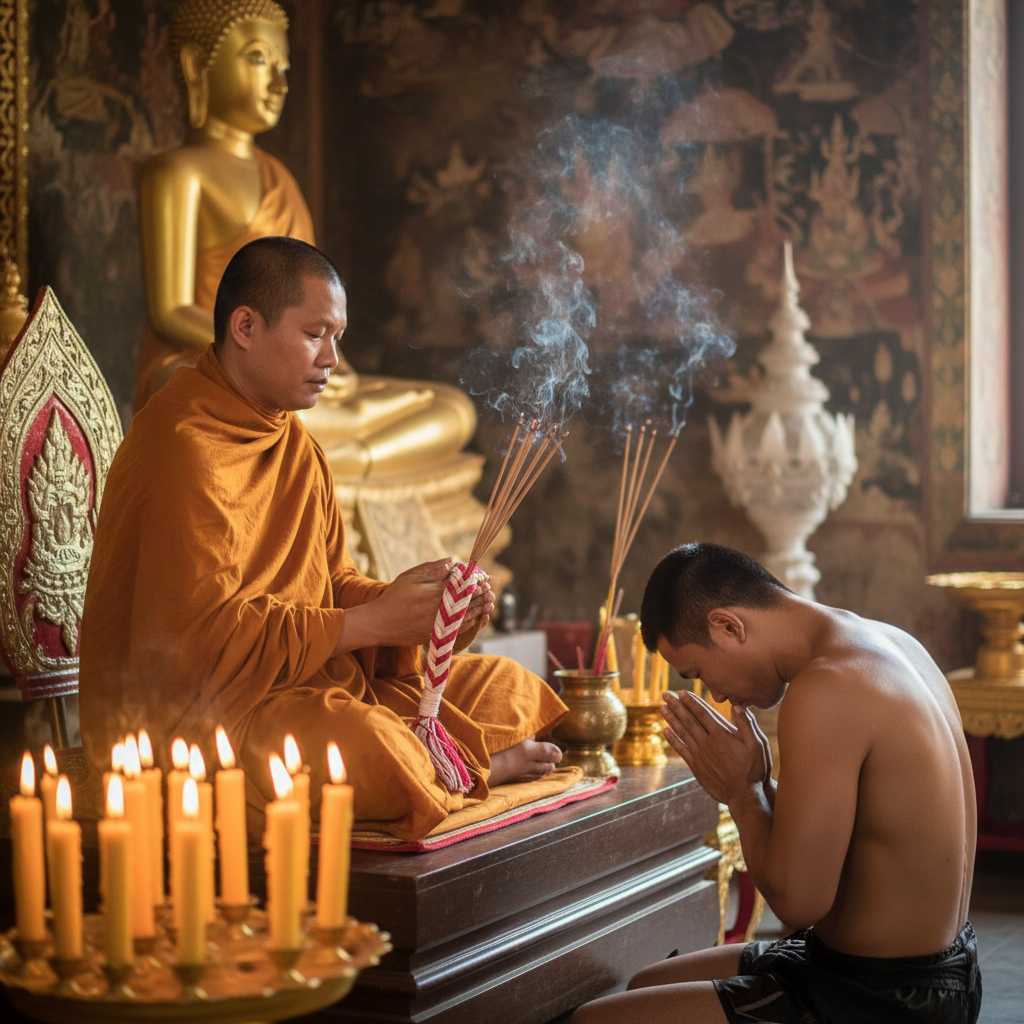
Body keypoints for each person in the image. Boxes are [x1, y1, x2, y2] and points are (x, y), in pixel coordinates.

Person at [80, 236, 566, 841]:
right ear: (246, 327)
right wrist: (376, 624)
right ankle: (472, 768)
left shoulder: (296, 443)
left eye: (338, 337)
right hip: (209, 717)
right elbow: (192, 648)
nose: (333, 359)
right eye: (316, 334)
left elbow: (330, 584)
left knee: (508, 689)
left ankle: (443, 769)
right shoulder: (185, 447)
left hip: (308, 683)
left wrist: (417, 608)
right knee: (374, 746)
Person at [572, 542, 981, 1024]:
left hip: (882, 999)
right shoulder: (887, 641)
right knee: (649, 984)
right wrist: (760, 785)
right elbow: (851, 834)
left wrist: (742, 794)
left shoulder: (825, 689)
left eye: (699, 673)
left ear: (728, 625)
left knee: (594, 1021)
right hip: (940, 970)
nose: (715, 693)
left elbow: (799, 901)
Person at [135, 0, 476, 478]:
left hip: (289, 364)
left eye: (283, 67)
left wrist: (334, 365)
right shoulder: (177, 174)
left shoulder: (281, 177)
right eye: (257, 59)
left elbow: (315, 305)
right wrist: (279, 355)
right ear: (197, 65)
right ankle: (333, 451)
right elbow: (170, 311)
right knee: (215, 413)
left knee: (453, 408)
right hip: (210, 365)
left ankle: (337, 451)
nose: (279, 83)